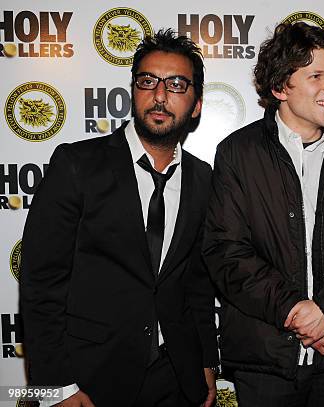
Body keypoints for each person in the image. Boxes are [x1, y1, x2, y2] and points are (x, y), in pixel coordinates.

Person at [20, 29, 218, 407]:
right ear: (133, 91)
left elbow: (198, 284)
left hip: (175, 376)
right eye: (148, 81)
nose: (160, 95)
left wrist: (207, 359)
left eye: (176, 84)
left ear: (196, 105)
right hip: (89, 380)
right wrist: (56, 386)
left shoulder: (202, 179)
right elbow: (40, 284)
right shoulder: (77, 165)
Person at [202, 22, 324, 407]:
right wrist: (299, 314)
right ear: (280, 88)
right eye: (316, 75)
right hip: (265, 360)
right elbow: (226, 252)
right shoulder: (237, 153)